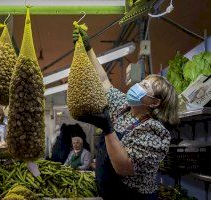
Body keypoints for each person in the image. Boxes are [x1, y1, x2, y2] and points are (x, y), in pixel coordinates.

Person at [72, 27, 179, 199]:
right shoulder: (123, 107)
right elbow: (103, 80)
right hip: (109, 192)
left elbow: (124, 168)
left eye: (145, 86)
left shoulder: (155, 132)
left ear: (155, 102)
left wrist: (108, 129)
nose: (137, 86)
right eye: (142, 82)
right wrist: (88, 49)